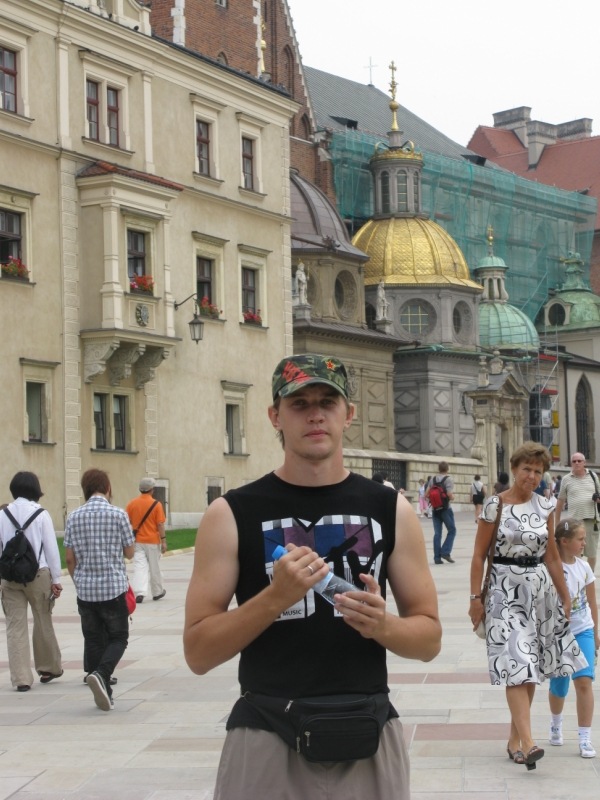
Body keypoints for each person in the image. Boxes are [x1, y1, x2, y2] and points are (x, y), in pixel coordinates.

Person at [184, 353, 442, 800]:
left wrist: (383, 626)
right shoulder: (231, 513)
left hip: (366, 732)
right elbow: (198, 653)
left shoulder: (389, 509)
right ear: (275, 416)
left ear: (349, 414)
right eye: (299, 404)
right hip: (267, 734)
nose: (315, 414)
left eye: (327, 401)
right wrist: (275, 598)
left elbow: (429, 640)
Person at [469, 442, 587, 771]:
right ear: (514, 469)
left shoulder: (546, 506)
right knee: (515, 663)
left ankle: (515, 741)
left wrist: (564, 595)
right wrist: (474, 599)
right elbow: (478, 555)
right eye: (526, 469)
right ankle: (529, 742)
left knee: (530, 666)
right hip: (503, 593)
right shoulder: (495, 505)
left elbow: (552, 555)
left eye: (538, 471)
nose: (532, 476)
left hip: (539, 593)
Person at [64, 469, 135, 711]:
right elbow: (130, 552)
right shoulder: (118, 514)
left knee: (93, 639)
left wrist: (78, 581)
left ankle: (103, 688)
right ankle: (102, 674)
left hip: (86, 591)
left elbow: (70, 558)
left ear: (85, 489)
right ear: (107, 488)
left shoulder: (73, 517)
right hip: (113, 588)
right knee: (119, 637)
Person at [0, 471, 63, 691]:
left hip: (10, 577)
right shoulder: (41, 514)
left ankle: (21, 679)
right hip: (38, 574)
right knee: (42, 619)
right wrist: (56, 578)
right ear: (36, 489)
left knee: (15, 626)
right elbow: (51, 548)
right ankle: (47, 668)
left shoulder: (3, 514)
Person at [548, 518, 598, 759]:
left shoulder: (584, 567)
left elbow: (592, 602)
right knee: (559, 686)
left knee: (584, 681)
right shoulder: (550, 567)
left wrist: (596, 632)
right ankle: (556, 724)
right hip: (558, 633)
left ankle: (584, 738)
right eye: (580, 539)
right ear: (564, 542)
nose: (584, 543)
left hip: (583, 630)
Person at [556, 453, 600, 573]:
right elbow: (560, 501)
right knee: (575, 552)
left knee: (591, 553)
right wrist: (557, 523)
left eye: (579, 461)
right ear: (571, 463)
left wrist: (597, 499)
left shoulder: (593, 476)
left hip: (592, 520)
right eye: (574, 461)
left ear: (584, 463)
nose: (577, 463)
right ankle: (578, 576)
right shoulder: (566, 479)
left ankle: (589, 576)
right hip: (574, 522)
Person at [126, 477, 167, 603]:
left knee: (139, 567)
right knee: (154, 567)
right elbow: (160, 524)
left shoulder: (132, 503)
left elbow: (127, 521)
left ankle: (140, 592)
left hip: (138, 541)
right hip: (153, 541)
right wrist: (163, 541)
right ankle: (157, 592)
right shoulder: (157, 504)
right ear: (152, 490)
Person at [426, 461, 457, 564]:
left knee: (437, 534)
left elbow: (426, 494)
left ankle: (437, 558)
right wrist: (453, 497)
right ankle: (445, 552)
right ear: (447, 469)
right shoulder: (448, 479)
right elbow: (449, 494)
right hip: (446, 509)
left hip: (435, 509)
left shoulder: (432, 479)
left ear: (438, 469)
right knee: (452, 530)